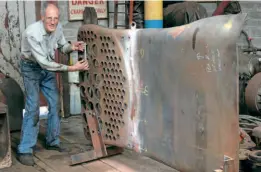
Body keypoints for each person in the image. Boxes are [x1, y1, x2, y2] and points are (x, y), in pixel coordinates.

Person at [17, 2, 89, 166]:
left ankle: (52, 141)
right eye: (49, 18)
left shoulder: (57, 28)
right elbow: (44, 63)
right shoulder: (32, 33)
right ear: (42, 18)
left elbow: (62, 46)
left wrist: (72, 47)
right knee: (33, 107)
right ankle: (25, 149)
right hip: (31, 68)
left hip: (46, 66)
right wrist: (72, 68)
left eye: (56, 18)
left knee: (55, 103)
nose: (53, 22)